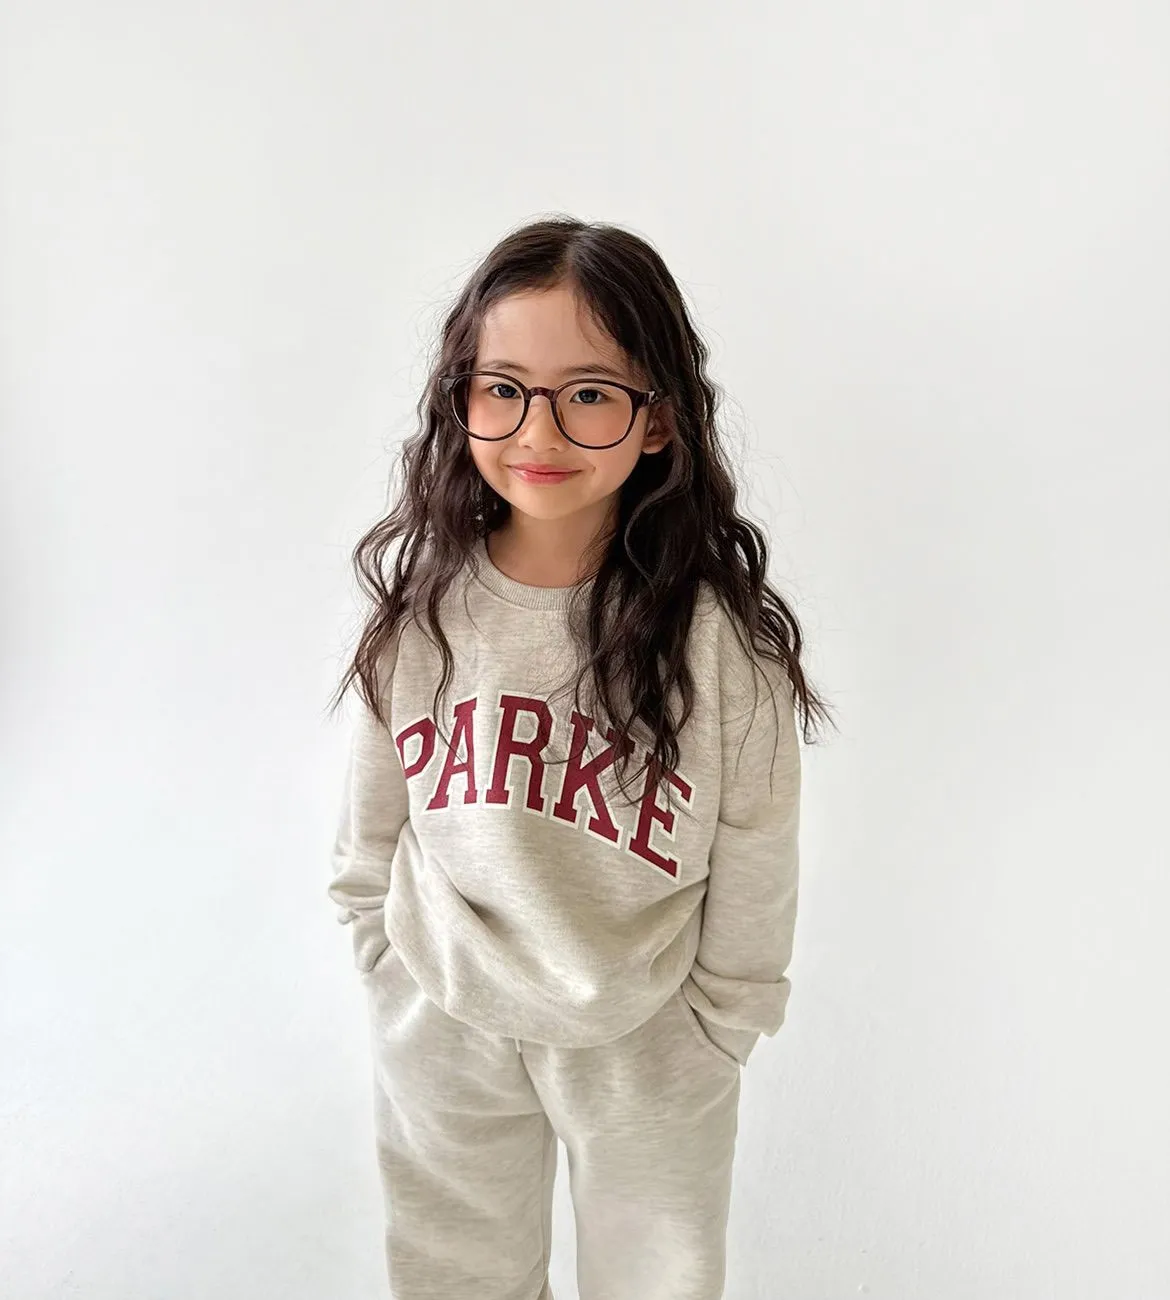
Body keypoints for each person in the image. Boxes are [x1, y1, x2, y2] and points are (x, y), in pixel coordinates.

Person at [325, 215, 832, 1300]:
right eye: (502, 389)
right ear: (460, 401)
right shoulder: (421, 619)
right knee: (456, 1280)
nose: (538, 430)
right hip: (446, 1012)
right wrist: (387, 959)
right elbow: (369, 833)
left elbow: (757, 848)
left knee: (655, 1282)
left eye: (589, 393)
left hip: (648, 1038)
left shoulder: (719, 647)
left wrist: (721, 1022)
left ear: (659, 419)